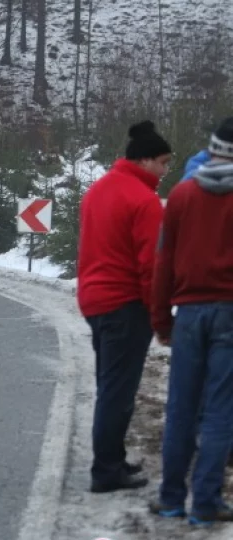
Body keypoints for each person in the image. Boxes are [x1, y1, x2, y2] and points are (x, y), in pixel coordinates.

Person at [77, 120, 172, 493]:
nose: (166, 171)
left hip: (94, 300)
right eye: (163, 163)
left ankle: (112, 457)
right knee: (118, 390)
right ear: (145, 160)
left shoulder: (98, 190)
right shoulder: (144, 201)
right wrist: (158, 314)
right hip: (126, 304)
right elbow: (153, 266)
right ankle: (106, 470)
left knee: (109, 384)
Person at [149, 117, 233, 525]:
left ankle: (169, 498)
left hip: (189, 315)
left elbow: (163, 262)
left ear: (213, 147)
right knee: (220, 411)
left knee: (180, 408)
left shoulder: (182, 195)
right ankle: (205, 503)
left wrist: (161, 319)